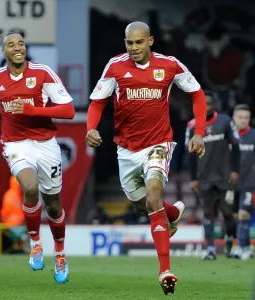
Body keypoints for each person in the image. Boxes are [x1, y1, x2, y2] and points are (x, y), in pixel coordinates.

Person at [86, 21, 207, 295]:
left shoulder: (170, 65)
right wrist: (90, 128)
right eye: (129, 43)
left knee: (153, 193)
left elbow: (197, 94)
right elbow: (97, 102)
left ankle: (165, 270)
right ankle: (172, 213)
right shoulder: (115, 66)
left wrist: (199, 132)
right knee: (143, 207)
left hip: (158, 143)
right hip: (127, 148)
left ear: (150, 41)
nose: (134, 48)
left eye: (139, 42)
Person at [0, 33, 75, 283]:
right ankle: (35, 245)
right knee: (30, 186)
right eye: (11, 45)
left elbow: (68, 109)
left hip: (46, 144)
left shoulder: (43, 73)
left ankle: (60, 255)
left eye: (21, 43)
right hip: (16, 144)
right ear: (5, 52)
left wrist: (34, 110)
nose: (17, 47)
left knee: (53, 206)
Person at [186, 90, 240, 260]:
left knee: (227, 212)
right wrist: (193, 178)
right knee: (208, 214)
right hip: (204, 178)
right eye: (202, 103)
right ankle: (210, 249)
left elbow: (236, 146)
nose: (205, 106)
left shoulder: (225, 121)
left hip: (224, 176)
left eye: (208, 103)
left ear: (214, 105)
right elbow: (190, 154)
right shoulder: (192, 126)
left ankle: (230, 244)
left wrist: (235, 170)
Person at [232, 104, 255, 260]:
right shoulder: (228, 136)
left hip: (249, 182)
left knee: (243, 213)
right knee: (235, 215)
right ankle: (243, 245)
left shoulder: (254, 135)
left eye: (246, 118)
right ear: (234, 118)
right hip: (230, 184)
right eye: (240, 117)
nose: (243, 120)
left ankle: (243, 248)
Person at [0, 176, 27, 253]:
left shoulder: (18, 195)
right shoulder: (10, 195)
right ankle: (15, 249)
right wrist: (4, 220)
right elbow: (6, 210)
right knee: (19, 235)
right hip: (11, 224)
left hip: (18, 224)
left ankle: (18, 249)